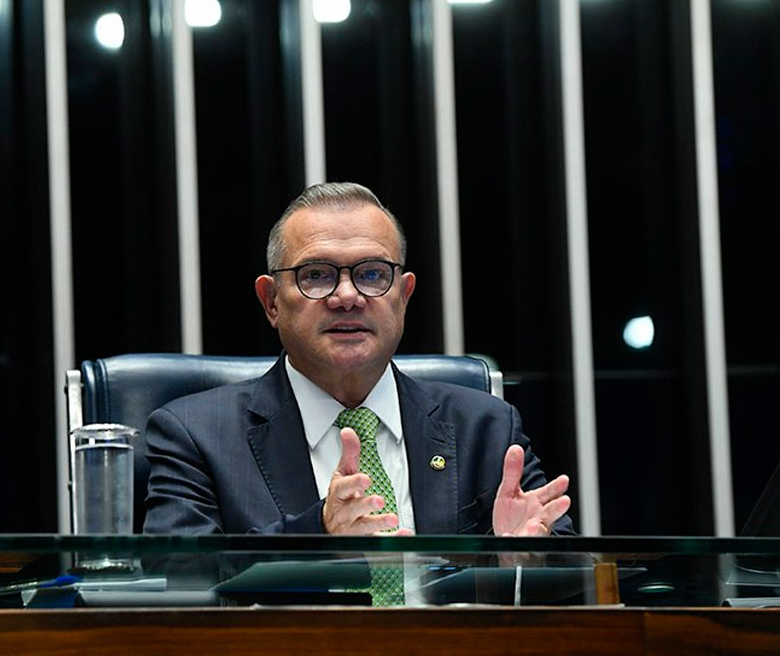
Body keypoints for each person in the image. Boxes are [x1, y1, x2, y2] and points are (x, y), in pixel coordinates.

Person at [143, 182, 572, 536]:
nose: (347, 297)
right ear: (271, 301)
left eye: (371, 275)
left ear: (403, 297)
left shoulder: (486, 428)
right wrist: (319, 534)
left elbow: (573, 574)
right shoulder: (195, 437)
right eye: (316, 275)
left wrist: (526, 562)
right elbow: (181, 582)